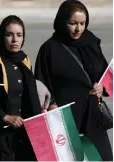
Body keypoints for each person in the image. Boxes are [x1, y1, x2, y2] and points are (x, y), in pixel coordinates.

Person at [34, 0, 113, 161]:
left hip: (93, 118)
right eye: (73, 23)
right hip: (67, 121)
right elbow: (41, 86)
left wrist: (101, 87)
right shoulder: (49, 49)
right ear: (63, 22)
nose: (79, 29)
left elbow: (104, 75)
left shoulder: (91, 43)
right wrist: (52, 107)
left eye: (83, 23)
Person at [0, 15, 42, 161]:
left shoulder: (24, 61)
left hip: (23, 136)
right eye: (9, 34)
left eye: (19, 35)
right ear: (2, 36)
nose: (15, 40)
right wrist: (5, 117)